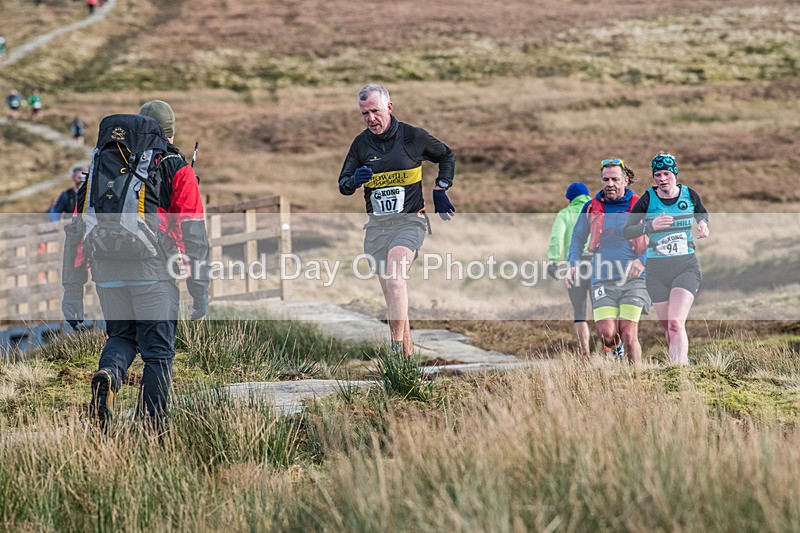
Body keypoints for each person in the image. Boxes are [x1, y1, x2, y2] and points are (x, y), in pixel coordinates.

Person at [62, 100, 210, 431]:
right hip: (153, 272)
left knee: (122, 336)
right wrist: (199, 288)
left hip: (106, 271)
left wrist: (72, 289)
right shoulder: (176, 166)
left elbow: (76, 229)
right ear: (170, 132)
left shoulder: (101, 164)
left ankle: (109, 375)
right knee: (158, 354)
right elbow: (194, 233)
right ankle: (152, 430)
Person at [338, 83, 456, 356]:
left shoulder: (412, 137)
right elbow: (342, 184)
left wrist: (441, 188)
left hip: (409, 222)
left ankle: (392, 349)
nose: (371, 119)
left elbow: (446, 156)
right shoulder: (360, 144)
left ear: (389, 107)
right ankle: (405, 364)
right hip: (377, 229)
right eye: (364, 114)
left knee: (394, 280)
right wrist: (354, 180)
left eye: (375, 111)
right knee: (394, 296)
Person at [624, 152, 709, 365]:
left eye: (666, 174)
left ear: (675, 174)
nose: (662, 179)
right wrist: (649, 227)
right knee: (669, 327)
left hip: (685, 267)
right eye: (658, 175)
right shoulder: (647, 199)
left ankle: (678, 370)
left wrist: (703, 224)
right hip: (656, 271)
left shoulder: (689, 195)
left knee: (674, 324)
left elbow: (701, 213)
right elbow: (628, 231)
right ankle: (683, 361)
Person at [566, 158, 650, 366]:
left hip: (634, 279)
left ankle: (636, 380)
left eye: (614, 179)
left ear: (626, 180)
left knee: (629, 333)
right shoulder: (591, 206)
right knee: (606, 334)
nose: (609, 184)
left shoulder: (640, 205)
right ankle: (617, 350)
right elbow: (577, 238)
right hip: (602, 278)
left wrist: (642, 260)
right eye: (605, 179)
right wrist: (573, 263)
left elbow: (657, 238)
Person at [547, 181, 593, 359]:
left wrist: (553, 261)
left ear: (569, 199)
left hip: (574, 266)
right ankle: (612, 348)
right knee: (603, 308)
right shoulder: (596, 210)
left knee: (579, 312)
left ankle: (585, 353)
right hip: (598, 263)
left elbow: (557, 237)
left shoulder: (564, 214)